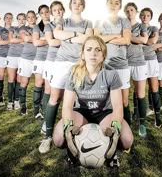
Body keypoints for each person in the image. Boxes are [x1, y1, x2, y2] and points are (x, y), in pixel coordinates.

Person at [53, 35, 134, 166]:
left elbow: (118, 106)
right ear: (83, 54)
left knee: (127, 141)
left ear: (103, 55)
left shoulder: (111, 74)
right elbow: (67, 106)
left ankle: (111, 155)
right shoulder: (74, 73)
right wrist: (68, 127)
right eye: (89, 49)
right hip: (82, 112)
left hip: (104, 112)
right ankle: (73, 152)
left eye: (98, 50)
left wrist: (115, 126)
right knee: (58, 139)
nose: (93, 53)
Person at [39, 0, 93, 154]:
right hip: (61, 62)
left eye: (80, 3)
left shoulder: (88, 22)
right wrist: (77, 36)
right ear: (70, 5)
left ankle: (75, 135)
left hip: (79, 64)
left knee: (77, 100)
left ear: (83, 6)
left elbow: (88, 39)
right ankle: (48, 137)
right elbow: (57, 35)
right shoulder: (63, 21)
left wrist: (68, 37)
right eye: (74, 2)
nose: (77, 5)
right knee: (55, 97)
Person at [94, 0, 131, 125]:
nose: (113, 5)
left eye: (116, 3)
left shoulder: (124, 21)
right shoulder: (99, 21)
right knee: (106, 99)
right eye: (110, 2)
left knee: (124, 101)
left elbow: (126, 40)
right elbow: (97, 40)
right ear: (106, 4)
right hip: (104, 65)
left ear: (120, 6)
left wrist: (106, 38)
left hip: (121, 65)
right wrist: (116, 35)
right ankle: (107, 127)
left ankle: (126, 129)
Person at [124, 2, 149, 138]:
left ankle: (142, 124)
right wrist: (133, 39)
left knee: (140, 94)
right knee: (124, 97)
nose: (129, 13)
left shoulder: (141, 25)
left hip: (139, 63)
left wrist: (128, 38)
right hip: (125, 64)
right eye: (127, 11)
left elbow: (144, 40)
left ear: (136, 11)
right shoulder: (123, 25)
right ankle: (126, 125)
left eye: (132, 10)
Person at [41, 1, 65, 134]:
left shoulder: (66, 23)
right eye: (55, 10)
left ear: (63, 11)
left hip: (63, 61)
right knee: (49, 91)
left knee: (62, 94)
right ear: (52, 12)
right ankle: (46, 121)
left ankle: (64, 120)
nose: (58, 12)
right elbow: (51, 42)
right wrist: (68, 40)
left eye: (60, 9)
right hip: (51, 61)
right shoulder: (48, 26)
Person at [140, 7, 162, 128]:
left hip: (151, 60)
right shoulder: (137, 27)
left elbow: (152, 41)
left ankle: (157, 117)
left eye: (148, 15)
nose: (145, 17)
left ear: (151, 17)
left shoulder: (154, 28)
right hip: (140, 60)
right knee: (140, 90)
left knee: (154, 88)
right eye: (143, 15)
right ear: (140, 17)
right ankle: (137, 113)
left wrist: (143, 40)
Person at [32, 5, 50, 119]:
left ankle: (44, 108)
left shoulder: (54, 25)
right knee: (39, 83)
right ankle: (36, 110)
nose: (45, 14)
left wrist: (43, 39)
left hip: (51, 59)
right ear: (39, 14)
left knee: (48, 86)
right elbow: (36, 43)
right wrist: (49, 39)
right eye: (42, 12)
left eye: (47, 12)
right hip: (40, 58)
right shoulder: (37, 27)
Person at [18, 10, 37, 115]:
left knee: (41, 83)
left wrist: (32, 38)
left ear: (36, 18)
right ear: (26, 19)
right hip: (26, 58)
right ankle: (23, 107)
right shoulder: (23, 28)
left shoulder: (39, 27)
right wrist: (38, 38)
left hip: (39, 58)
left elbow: (30, 39)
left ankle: (38, 107)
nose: (31, 19)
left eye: (32, 17)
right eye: (28, 17)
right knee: (24, 82)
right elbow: (25, 38)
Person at [6, 13, 26, 110]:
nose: (21, 21)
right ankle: (10, 101)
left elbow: (29, 40)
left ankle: (16, 100)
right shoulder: (12, 28)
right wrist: (23, 39)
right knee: (11, 78)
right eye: (19, 19)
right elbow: (10, 39)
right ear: (17, 20)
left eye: (23, 19)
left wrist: (16, 39)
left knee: (19, 79)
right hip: (12, 55)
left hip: (22, 56)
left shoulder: (28, 29)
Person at [0, 12, 13, 106]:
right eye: (7, 18)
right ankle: (0, 97)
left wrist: (8, 41)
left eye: (10, 18)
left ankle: (12, 98)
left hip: (12, 55)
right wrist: (11, 41)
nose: (9, 19)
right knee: (1, 75)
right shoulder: (0, 30)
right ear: (4, 19)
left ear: (12, 19)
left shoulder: (14, 29)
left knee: (11, 77)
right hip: (1, 55)